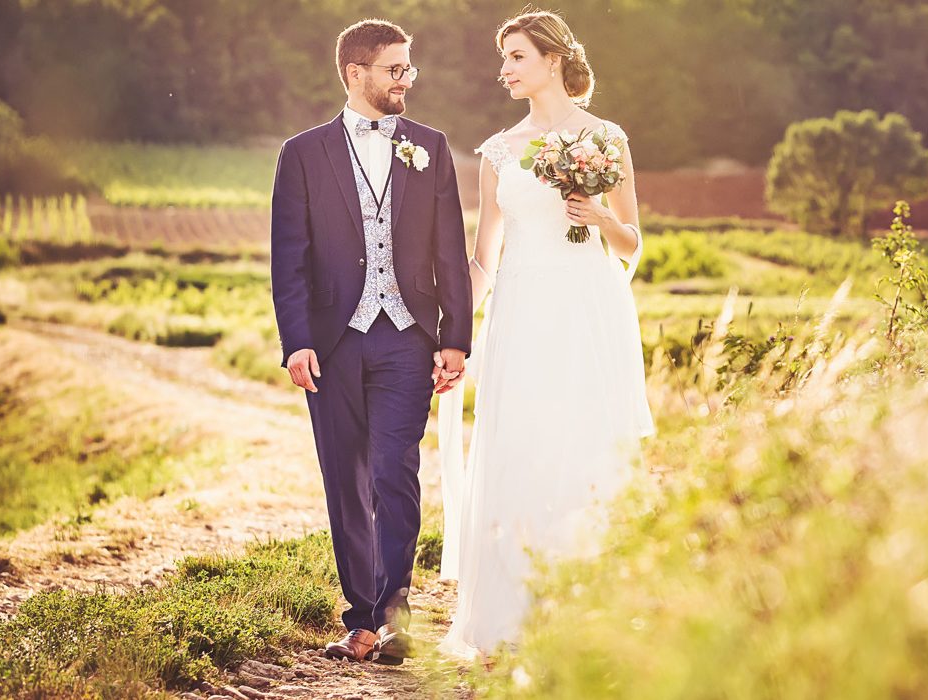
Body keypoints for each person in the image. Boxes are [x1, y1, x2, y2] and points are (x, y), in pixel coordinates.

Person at [435, 8, 655, 665]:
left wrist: (596, 215)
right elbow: (484, 261)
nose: (503, 69)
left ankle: (588, 614)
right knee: (519, 449)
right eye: (503, 59)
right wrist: (451, 335)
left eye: (516, 57)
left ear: (553, 59)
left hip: (590, 311)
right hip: (522, 315)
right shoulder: (498, 153)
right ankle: (509, 621)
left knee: (586, 452)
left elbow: (632, 241)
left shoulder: (605, 137)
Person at [269, 18, 472, 666]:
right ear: (356, 74)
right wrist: (296, 341)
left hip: (407, 339)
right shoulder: (300, 155)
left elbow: (451, 249)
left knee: (394, 472)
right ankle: (359, 618)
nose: (406, 78)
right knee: (344, 481)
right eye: (395, 68)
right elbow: (289, 258)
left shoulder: (431, 147)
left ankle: (394, 615)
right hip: (331, 343)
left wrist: (454, 338)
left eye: (408, 67)